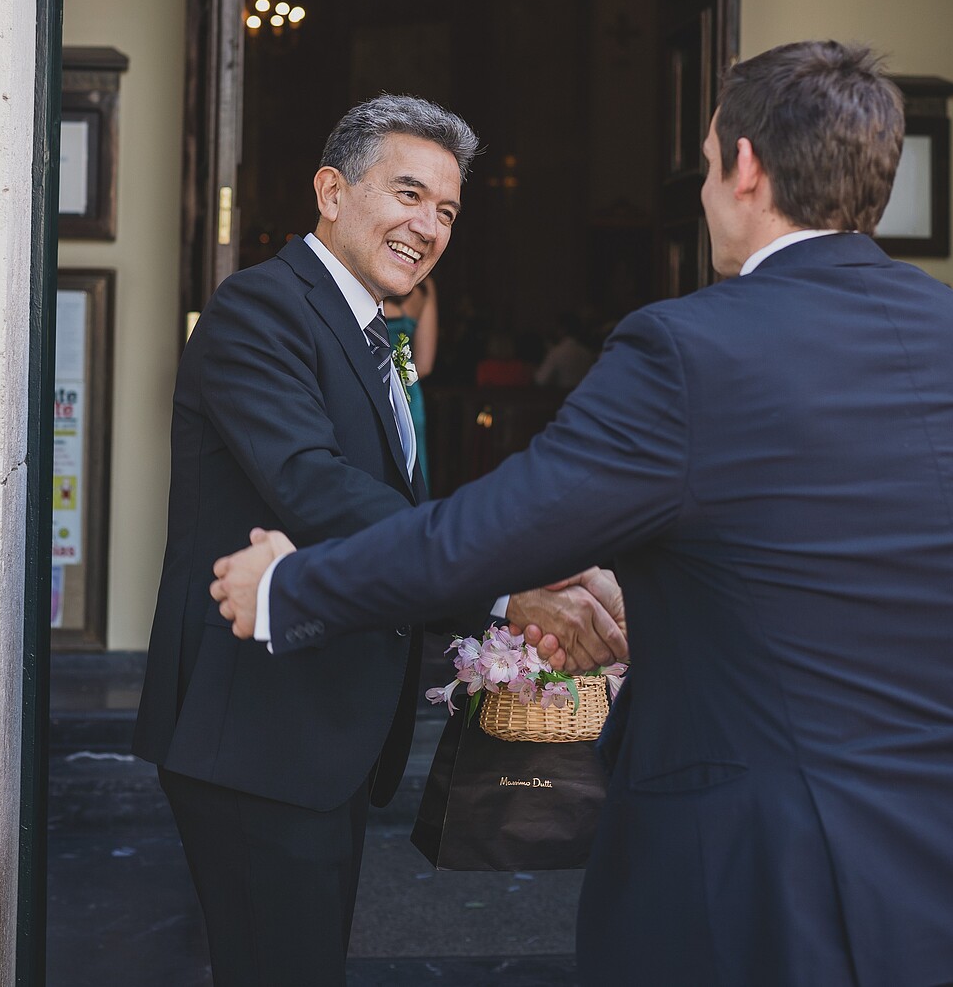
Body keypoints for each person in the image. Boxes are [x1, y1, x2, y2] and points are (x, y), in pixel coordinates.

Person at [212, 43, 953, 987]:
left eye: (706, 165)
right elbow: (820, 551)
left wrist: (293, 586)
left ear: (745, 167)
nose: (704, 192)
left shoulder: (691, 345)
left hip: (777, 891)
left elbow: (499, 529)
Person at [131, 95, 628, 987]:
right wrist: (503, 588)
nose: (428, 226)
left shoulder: (369, 330)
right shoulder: (260, 310)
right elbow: (319, 492)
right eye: (408, 194)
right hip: (255, 729)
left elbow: (388, 508)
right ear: (331, 190)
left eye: (445, 210)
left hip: (322, 735)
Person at [380, 277, 435, 484]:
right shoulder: (425, 284)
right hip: (408, 393)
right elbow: (425, 364)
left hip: (369, 388)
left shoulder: (368, 271)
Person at [533, 311, 596, 390]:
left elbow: (541, 380)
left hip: (560, 399)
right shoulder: (587, 353)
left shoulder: (556, 352)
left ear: (562, 329)